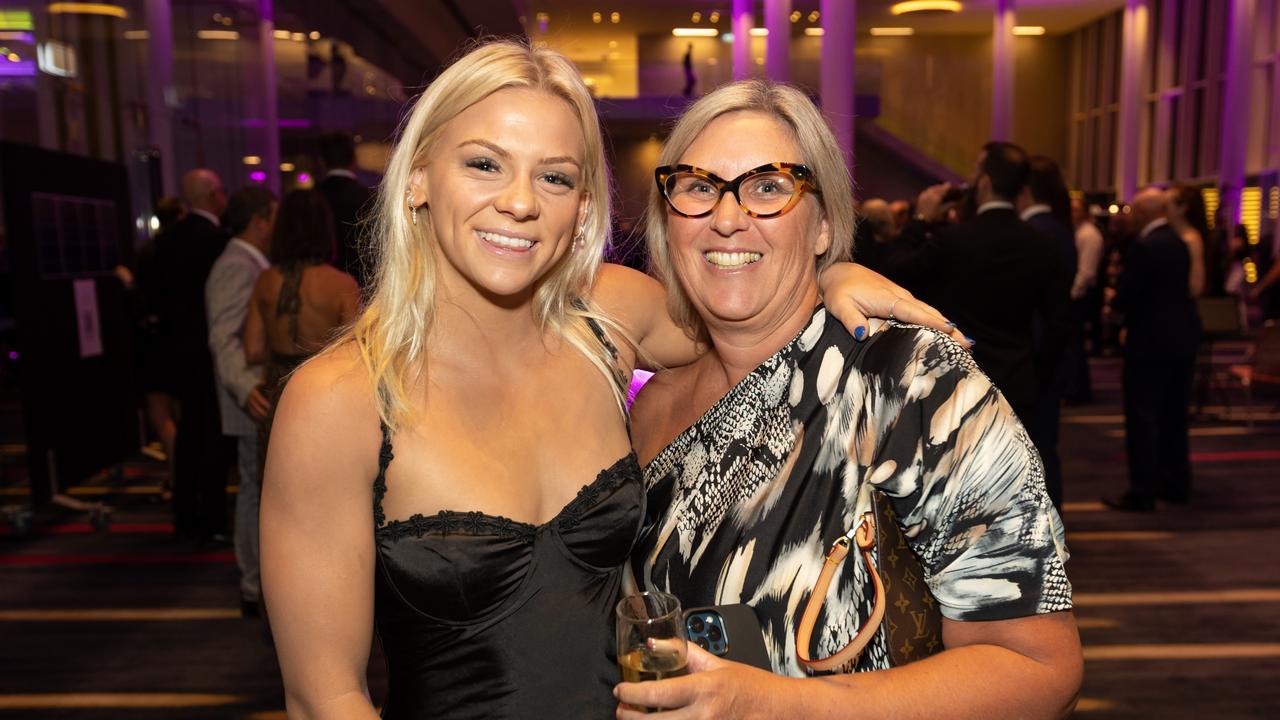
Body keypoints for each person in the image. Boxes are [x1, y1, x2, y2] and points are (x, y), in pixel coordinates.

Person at [258, 40, 957, 720]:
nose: (520, 202)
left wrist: (824, 269)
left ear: (584, 207)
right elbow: (324, 697)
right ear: (417, 178)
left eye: (555, 177)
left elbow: (749, 313)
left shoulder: (605, 321)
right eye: (484, 165)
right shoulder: (339, 402)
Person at [622, 80, 1081, 718]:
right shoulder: (649, 407)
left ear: (825, 226)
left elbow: (1039, 668)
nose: (727, 217)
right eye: (699, 187)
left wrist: (776, 706)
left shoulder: (913, 382)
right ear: (667, 219)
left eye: (769, 186)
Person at [894, 143, 1072, 427]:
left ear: (985, 182)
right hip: (1018, 381)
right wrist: (1037, 374)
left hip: (958, 379)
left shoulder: (953, 240)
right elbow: (1059, 322)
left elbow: (895, 273)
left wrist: (920, 219)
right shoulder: (1042, 244)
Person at [244, 189, 359, 473]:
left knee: (277, 480)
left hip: (277, 391)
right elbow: (360, 355)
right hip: (326, 393)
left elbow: (253, 349)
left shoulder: (265, 280)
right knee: (326, 479)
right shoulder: (342, 285)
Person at [1104, 187, 1202, 512]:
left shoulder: (1145, 247)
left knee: (1143, 416)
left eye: (1133, 210)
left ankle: (1142, 490)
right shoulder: (1179, 242)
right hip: (1182, 337)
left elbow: (1130, 294)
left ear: (1145, 213)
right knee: (1174, 415)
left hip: (1149, 341)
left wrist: (1113, 306)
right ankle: (1176, 483)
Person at [206, 185, 277, 616]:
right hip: (251, 397)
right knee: (253, 491)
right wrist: (245, 387)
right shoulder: (236, 266)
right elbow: (222, 337)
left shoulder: (247, 262)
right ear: (259, 221)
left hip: (252, 396)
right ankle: (253, 581)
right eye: (273, 217)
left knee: (254, 488)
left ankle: (254, 579)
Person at [154, 168, 233, 544]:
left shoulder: (165, 241)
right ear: (211, 196)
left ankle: (184, 513)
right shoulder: (219, 242)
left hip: (177, 352)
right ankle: (212, 517)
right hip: (210, 353)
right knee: (211, 435)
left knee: (188, 432)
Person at [1017, 156, 1077, 510]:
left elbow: (1050, 313)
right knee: (1042, 446)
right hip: (1046, 355)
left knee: (1038, 448)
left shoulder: (1040, 232)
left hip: (1037, 357)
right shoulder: (1057, 227)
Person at [317, 132, 374, 287]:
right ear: (354, 159)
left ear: (322, 162)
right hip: (361, 284)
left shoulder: (313, 197)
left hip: (320, 285)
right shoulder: (367, 197)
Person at [1166, 184, 1211, 298]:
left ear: (1182, 208)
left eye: (1166, 205)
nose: (1163, 209)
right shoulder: (1173, 235)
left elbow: (1196, 286)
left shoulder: (1190, 239)